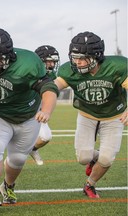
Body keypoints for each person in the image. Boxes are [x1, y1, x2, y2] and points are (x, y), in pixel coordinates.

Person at [0, 28, 59, 211]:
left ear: (7, 57)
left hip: (28, 116)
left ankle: (8, 186)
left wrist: (46, 110)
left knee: (17, 160)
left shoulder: (28, 62)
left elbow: (49, 87)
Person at [54, 31, 127, 199]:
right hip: (87, 114)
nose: (77, 62)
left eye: (82, 58)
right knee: (83, 157)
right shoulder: (69, 70)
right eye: (74, 57)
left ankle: (90, 184)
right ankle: (94, 159)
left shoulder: (117, 66)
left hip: (114, 115)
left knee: (107, 159)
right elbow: (54, 86)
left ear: (96, 56)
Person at [29, 45, 60, 165]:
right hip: (22, 109)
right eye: (49, 61)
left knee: (45, 137)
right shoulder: (29, 71)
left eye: (54, 61)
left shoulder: (50, 75)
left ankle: (32, 149)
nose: (52, 64)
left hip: (37, 110)